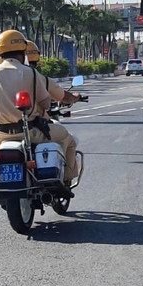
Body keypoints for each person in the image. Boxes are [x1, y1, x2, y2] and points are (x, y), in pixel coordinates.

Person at [24, 41, 84, 186]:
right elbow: (52, 100)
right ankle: (65, 179)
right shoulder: (35, 75)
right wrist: (74, 98)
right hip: (31, 130)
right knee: (67, 137)